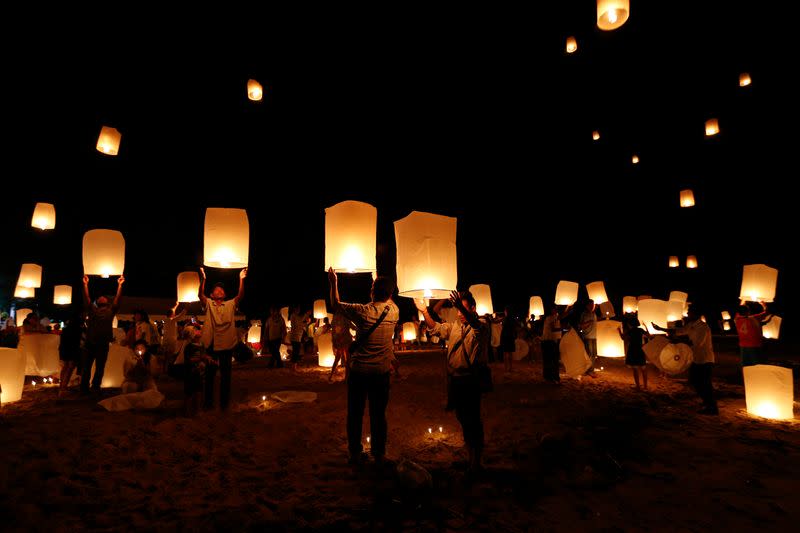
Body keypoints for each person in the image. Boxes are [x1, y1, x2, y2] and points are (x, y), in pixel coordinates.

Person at [328, 267, 399, 466]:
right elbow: (387, 295)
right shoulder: (394, 311)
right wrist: (379, 277)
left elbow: (336, 305)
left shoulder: (362, 311)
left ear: (372, 291)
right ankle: (379, 453)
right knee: (378, 415)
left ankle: (355, 453)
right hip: (381, 373)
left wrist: (334, 283)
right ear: (390, 294)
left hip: (359, 372)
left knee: (355, 414)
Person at [417, 290, 489, 475]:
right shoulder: (455, 326)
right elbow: (437, 328)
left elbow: (476, 326)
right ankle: (470, 457)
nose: (458, 313)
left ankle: (476, 461)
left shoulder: (481, 325)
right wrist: (424, 311)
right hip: (456, 380)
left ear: (473, 308)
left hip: (471, 380)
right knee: (463, 419)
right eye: (457, 309)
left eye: (462, 309)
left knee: (473, 420)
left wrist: (459, 308)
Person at [653, 305, 718, 414]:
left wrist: (677, 341)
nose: (687, 314)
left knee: (704, 383)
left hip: (705, 360)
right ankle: (707, 402)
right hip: (696, 359)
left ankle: (712, 407)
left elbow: (696, 344)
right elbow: (679, 331)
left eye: (689, 312)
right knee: (695, 381)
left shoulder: (703, 328)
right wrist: (661, 329)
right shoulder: (692, 325)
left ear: (696, 314)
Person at [198, 266, 247, 411]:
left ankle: (224, 404)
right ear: (212, 295)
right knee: (210, 375)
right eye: (216, 290)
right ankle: (208, 403)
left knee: (226, 376)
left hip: (226, 344)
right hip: (211, 344)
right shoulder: (208, 304)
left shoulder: (230, 304)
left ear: (224, 295)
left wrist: (241, 279)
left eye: (222, 290)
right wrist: (204, 278)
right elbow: (200, 295)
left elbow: (240, 295)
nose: (219, 291)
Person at [81, 274, 124, 393]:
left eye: (103, 297)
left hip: (103, 344)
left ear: (107, 303)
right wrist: (85, 284)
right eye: (100, 298)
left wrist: (120, 285)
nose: (101, 297)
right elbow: (87, 298)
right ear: (97, 302)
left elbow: (118, 299)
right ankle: (84, 388)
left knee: (100, 368)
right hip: (90, 343)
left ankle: (95, 386)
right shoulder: (92, 310)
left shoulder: (111, 311)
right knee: (87, 367)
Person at [734, 301, 772, 367]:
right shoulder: (754, 318)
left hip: (743, 346)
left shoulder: (737, 319)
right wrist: (763, 304)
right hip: (755, 345)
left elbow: (739, 309)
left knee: (745, 365)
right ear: (748, 311)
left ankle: (747, 376)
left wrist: (743, 300)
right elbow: (767, 312)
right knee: (757, 364)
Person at [58, 309, 85, 398]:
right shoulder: (79, 329)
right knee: (69, 369)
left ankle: (61, 386)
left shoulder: (66, 329)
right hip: (73, 349)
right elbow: (82, 341)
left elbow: (62, 341)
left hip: (64, 349)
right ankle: (63, 388)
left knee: (65, 368)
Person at [619, 314, 648, 390]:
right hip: (640, 350)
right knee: (643, 368)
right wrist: (646, 327)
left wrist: (619, 331)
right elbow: (649, 335)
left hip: (633, 350)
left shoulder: (630, 331)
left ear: (630, 324)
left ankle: (638, 386)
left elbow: (623, 338)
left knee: (635, 369)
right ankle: (645, 386)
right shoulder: (641, 330)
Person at [541, 306, 563, 383]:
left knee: (551, 360)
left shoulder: (555, 318)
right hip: (548, 341)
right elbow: (553, 329)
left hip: (552, 341)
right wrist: (563, 328)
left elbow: (562, 316)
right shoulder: (549, 318)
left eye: (556, 309)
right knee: (552, 360)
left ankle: (550, 376)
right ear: (551, 310)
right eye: (554, 309)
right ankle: (552, 377)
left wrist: (569, 307)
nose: (556, 311)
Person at [329, 311, 352, 382]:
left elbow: (333, 330)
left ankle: (331, 376)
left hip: (338, 340)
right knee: (347, 359)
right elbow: (351, 326)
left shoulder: (335, 317)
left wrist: (334, 340)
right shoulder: (345, 317)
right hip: (345, 340)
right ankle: (347, 378)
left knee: (337, 358)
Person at [579, 300, 598, 376]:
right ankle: (587, 370)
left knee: (594, 354)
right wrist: (589, 322)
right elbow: (581, 325)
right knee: (589, 354)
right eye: (591, 305)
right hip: (587, 337)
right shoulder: (584, 314)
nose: (592, 306)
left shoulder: (594, 314)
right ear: (587, 306)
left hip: (594, 336)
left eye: (593, 305)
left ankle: (590, 369)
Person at [289, 305, 310, 371]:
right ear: (294, 309)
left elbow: (301, 324)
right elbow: (298, 324)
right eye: (297, 309)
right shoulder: (293, 316)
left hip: (298, 336)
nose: (298, 311)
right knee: (296, 351)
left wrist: (306, 322)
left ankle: (293, 367)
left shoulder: (297, 317)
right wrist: (306, 315)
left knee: (296, 351)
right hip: (295, 336)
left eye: (299, 309)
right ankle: (294, 367)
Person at [500, 307, 517, 373]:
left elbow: (495, 321)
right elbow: (515, 328)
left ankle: (506, 368)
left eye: (505, 311)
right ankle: (510, 368)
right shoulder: (513, 319)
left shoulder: (504, 319)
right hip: (510, 336)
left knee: (505, 353)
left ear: (506, 312)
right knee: (510, 353)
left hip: (505, 336)